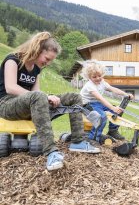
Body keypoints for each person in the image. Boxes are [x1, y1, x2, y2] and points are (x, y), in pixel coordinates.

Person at [0, 32, 100, 171]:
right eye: (47, 59)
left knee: (74, 97)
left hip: (29, 105)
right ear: (37, 49)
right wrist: (44, 97)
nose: (47, 63)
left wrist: (50, 99)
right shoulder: (13, 60)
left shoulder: (36, 69)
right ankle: (51, 153)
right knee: (39, 96)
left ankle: (77, 141)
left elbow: (37, 93)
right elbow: (10, 88)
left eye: (50, 61)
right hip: (7, 105)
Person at [80, 61, 134, 144]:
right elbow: (100, 98)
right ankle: (93, 139)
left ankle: (113, 130)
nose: (98, 78)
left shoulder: (102, 82)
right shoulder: (89, 86)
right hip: (87, 104)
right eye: (94, 77)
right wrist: (112, 107)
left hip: (97, 103)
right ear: (89, 77)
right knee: (101, 117)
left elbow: (113, 89)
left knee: (118, 111)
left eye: (99, 76)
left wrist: (125, 94)